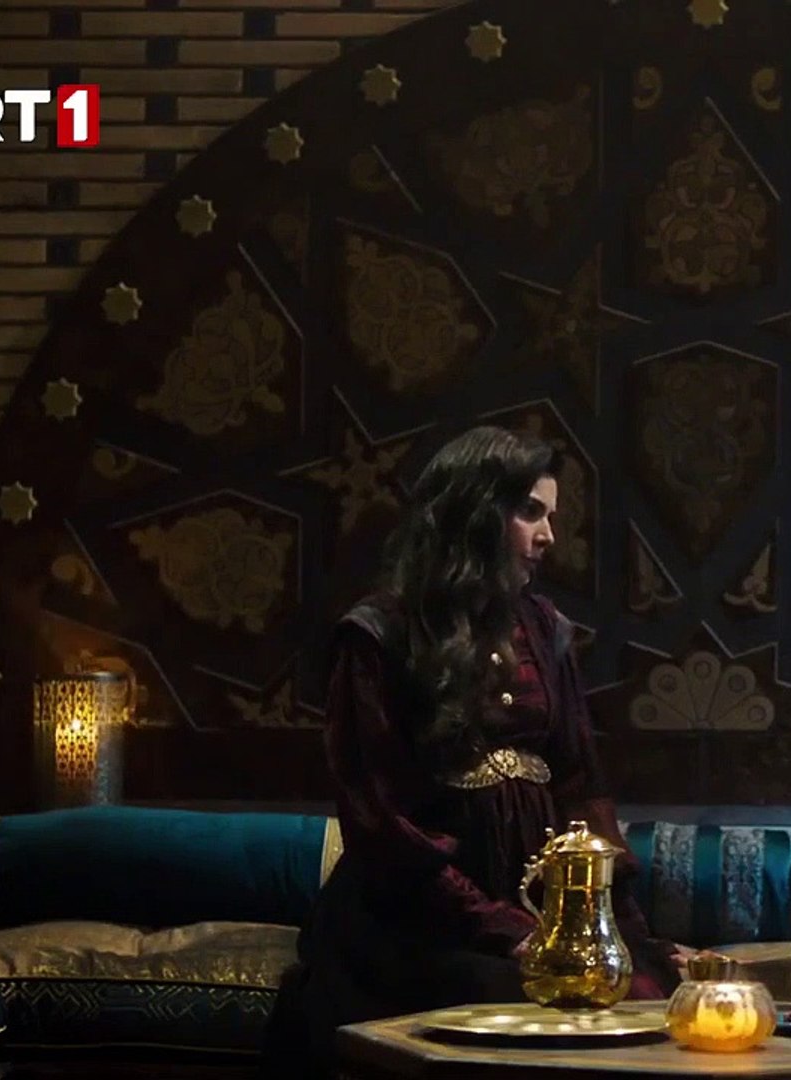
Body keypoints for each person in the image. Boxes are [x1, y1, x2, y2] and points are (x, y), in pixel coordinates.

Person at [263, 426, 685, 1079]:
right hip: (420, 918)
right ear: (477, 511)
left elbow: (581, 786)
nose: (548, 536)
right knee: (502, 1005)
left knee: (647, 998)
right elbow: (381, 820)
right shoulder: (380, 633)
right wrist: (506, 930)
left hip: (542, 904)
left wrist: (623, 930)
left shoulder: (543, 628)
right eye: (531, 512)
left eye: (551, 516)